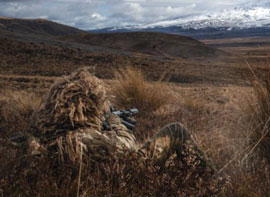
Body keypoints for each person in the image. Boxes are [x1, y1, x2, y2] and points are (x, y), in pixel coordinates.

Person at [8, 68, 214, 173]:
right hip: (128, 171)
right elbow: (127, 146)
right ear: (88, 106)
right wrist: (115, 123)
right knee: (177, 130)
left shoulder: (42, 132)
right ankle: (212, 181)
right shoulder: (86, 139)